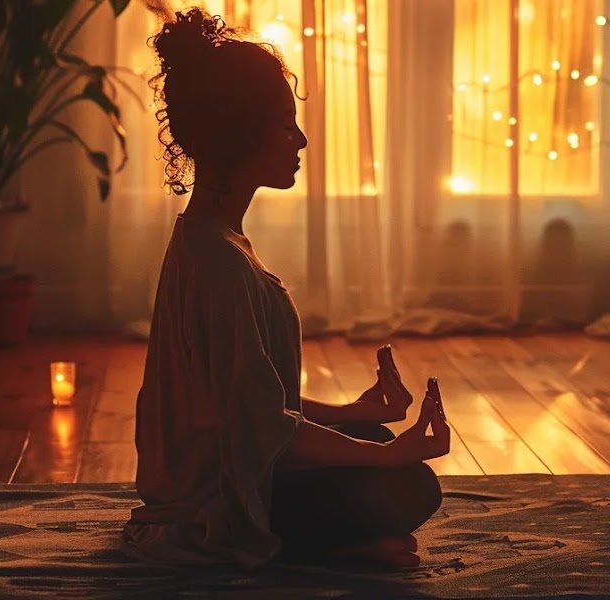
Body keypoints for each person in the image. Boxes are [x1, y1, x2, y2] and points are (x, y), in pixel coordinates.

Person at [122, 7, 451, 571]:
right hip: (217, 501)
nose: (300, 138)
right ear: (241, 134)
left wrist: (352, 413)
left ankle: (340, 539)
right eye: (284, 124)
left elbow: (249, 402)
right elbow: (259, 427)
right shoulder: (218, 263)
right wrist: (388, 455)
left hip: (241, 465)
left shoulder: (211, 239)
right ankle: (315, 551)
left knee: (370, 437)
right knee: (411, 484)